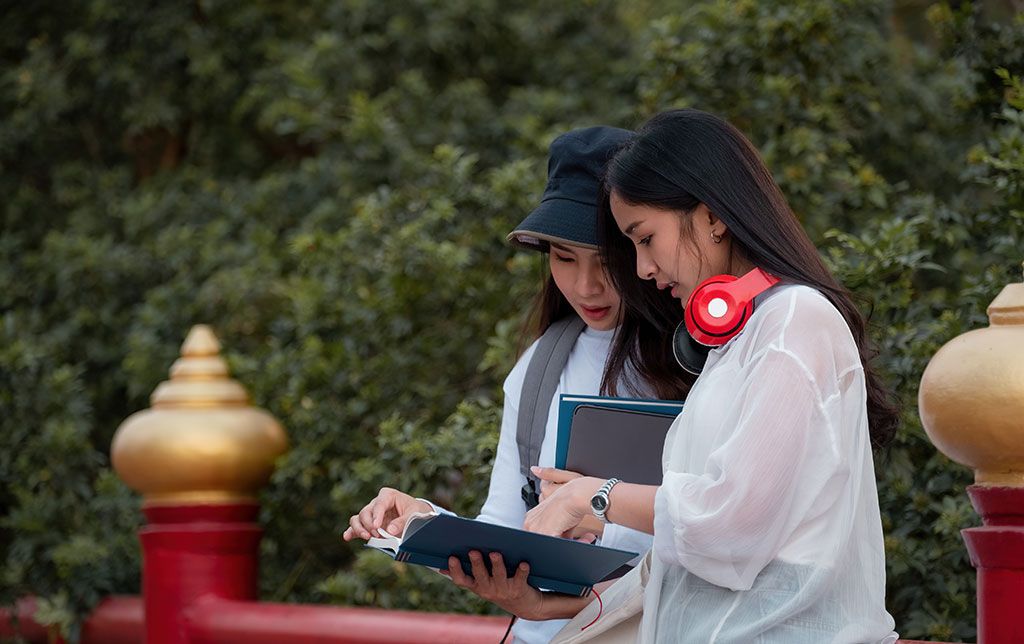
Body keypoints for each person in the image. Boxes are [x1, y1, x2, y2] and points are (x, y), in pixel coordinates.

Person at [522, 109, 900, 642]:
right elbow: (688, 571)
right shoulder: (743, 338)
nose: (643, 269)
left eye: (645, 238)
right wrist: (554, 606)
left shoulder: (795, 322)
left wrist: (594, 496)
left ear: (712, 218)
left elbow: (732, 529)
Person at [342, 126, 691, 644]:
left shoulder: (699, 362)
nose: (585, 286)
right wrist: (423, 521)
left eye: (607, 262)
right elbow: (507, 527)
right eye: (564, 258)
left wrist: (596, 515)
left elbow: (723, 534)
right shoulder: (541, 364)